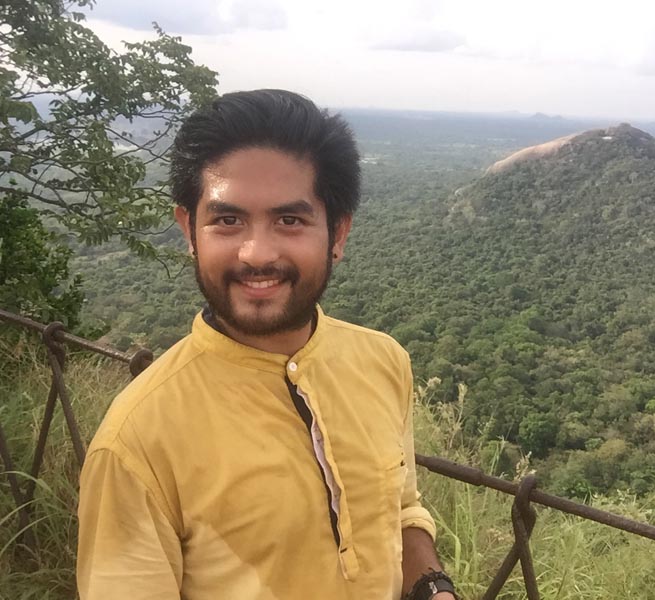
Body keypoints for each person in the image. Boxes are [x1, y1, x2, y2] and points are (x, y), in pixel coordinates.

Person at [76, 89, 457, 600]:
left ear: (337, 234)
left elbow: (402, 510)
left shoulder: (383, 361)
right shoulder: (137, 440)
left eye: (289, 220)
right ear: (189, 230)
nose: (256, 253)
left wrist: (433, 586)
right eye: (227, 220)